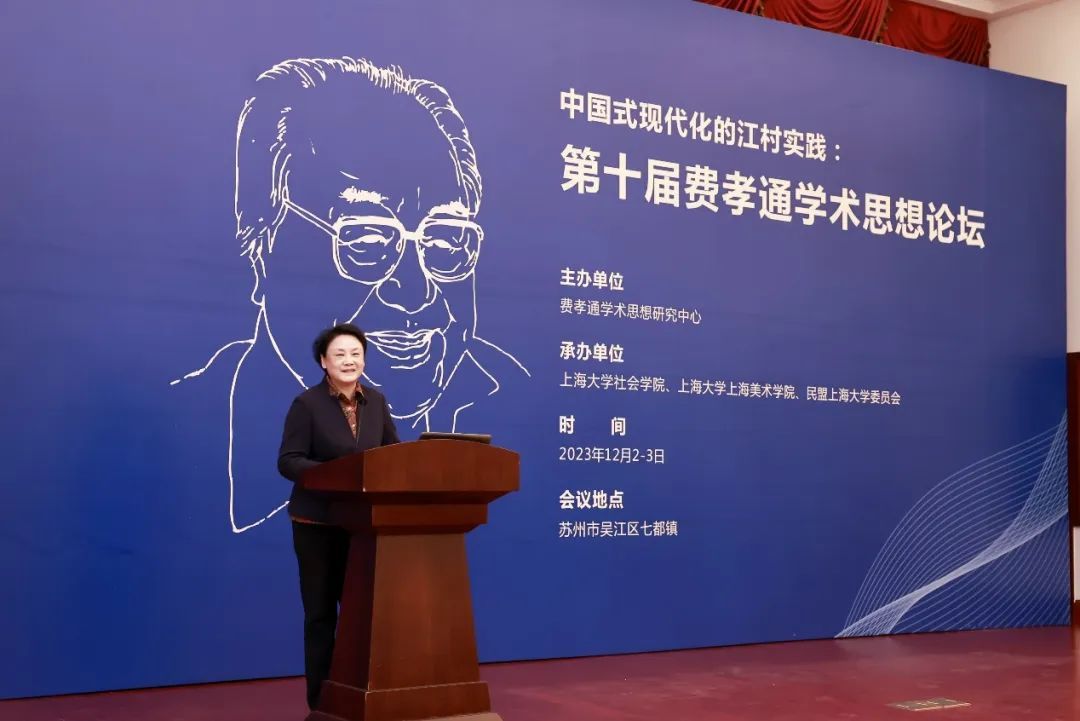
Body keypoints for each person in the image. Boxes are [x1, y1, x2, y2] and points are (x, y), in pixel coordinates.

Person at [172, 55, 528, 533]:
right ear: (261, 252)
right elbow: (291, 461)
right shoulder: (193, 419)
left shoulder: (510, 389)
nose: (416, 293)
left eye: (445, 241)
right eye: (366, 240)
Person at [277, 323, 399, 710]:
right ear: (323, 362)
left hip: (363, 526)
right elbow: (288, 461)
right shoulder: (307, 404)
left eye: (356, 354)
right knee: (321, 615)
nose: (349, 361)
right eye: (340, 354)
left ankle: (359, 695)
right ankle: (321, 703)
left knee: (362, 616)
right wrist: (335, 475)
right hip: (317, 524)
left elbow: (392, 455)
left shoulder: (376, 401)